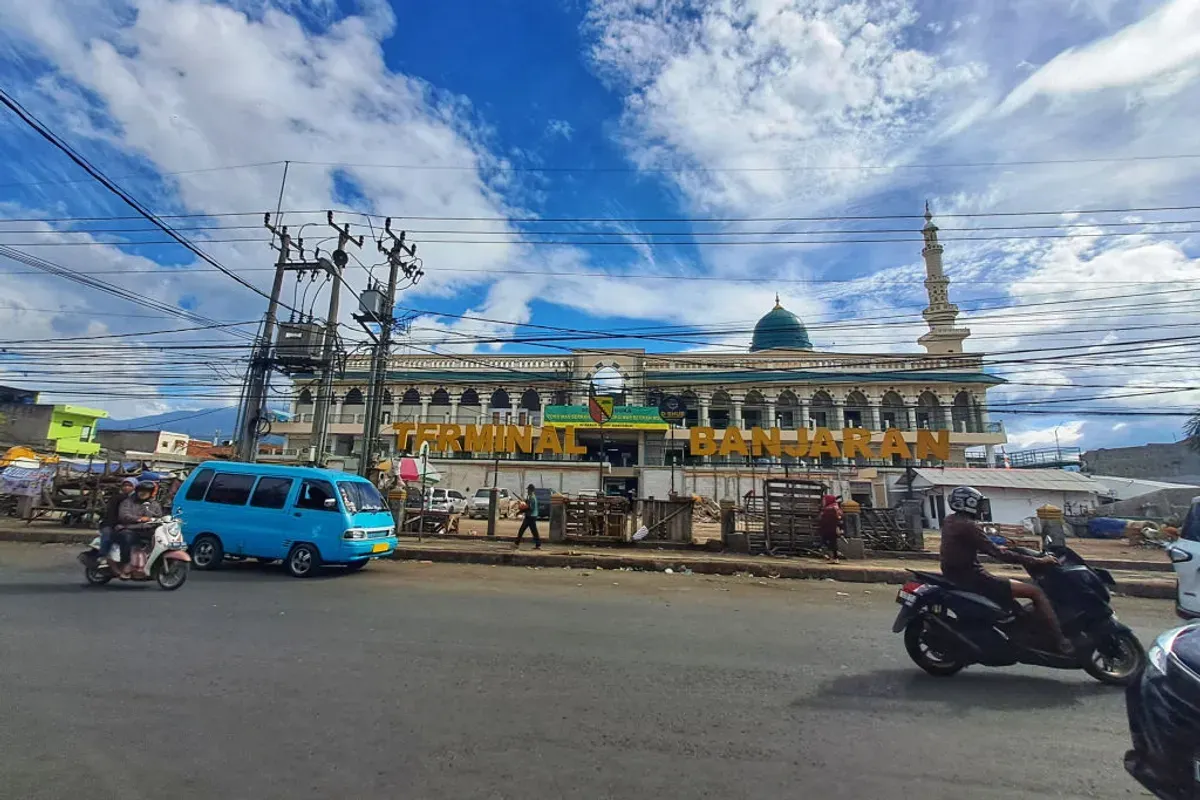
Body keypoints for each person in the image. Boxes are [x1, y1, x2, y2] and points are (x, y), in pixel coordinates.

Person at [939, 485, 1073, 655]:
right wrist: (1039, 561)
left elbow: (981, 545)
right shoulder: (968, 526)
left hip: (959, 576)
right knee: (1035, 592)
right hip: (975, 579)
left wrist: (1004, 547)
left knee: (1015, 600)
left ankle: (1022, 627)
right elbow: (998, 554)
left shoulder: (950, 520)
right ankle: (1060, 640)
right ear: (968, 504)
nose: (982, 508)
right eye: (979, 504)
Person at [114, 480, 163, 578]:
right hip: (129, 529)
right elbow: (123, 516)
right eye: (141, 490)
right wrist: (139, 519)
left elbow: (159, 517)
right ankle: (126, 564)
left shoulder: (154, 505)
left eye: (146, 491)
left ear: (151, 493)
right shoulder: (128, 502)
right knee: (127, 538)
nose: (143, 493)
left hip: (147, 530)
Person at [96, 477, 137, 562]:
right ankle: (103, 555)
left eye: (130, 485)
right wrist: (116, 524)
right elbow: (111, 514)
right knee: (107, 536)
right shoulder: (116, 498)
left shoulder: (138, 499)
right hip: (111, 523)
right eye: (125, 485)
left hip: (130, 524)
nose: (126, 487)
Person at [514, 484, 541, 550]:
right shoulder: (531, 497)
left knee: (524, 530)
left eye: (528, 490)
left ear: (531, 490)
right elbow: (527, 504)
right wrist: (524, 502)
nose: (527, 491)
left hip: (531, 516)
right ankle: (537, 544)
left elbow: (530, 508)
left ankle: (516, 543)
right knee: (531, 530)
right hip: (530, 516)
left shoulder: (532, 498)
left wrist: (520, 511)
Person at [818, 494, 843, 563]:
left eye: (824, 500)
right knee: (831, 543)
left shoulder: (830, 509)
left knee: (830, 543)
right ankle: (833, 557)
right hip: (831, 529)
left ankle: (834, 558)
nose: (823, 502)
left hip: (830, 529)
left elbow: (830, 520)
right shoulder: (834, 507)